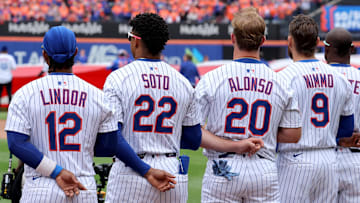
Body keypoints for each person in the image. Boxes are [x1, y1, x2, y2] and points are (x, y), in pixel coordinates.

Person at [103, 13, 264, 203]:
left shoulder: (118, 78)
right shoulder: (183, 83)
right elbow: (193, 138)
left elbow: (112, 139)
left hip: (131, 171)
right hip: (172, 172)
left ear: (137, 41)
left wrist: (146, 169)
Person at [5, 26, 176, 203]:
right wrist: (80, 145)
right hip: (82, 186)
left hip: (41, 186)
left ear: (45, 56)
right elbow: (109, 146)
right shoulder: (98, 96)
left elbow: (16, 144)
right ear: (76, 53)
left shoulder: (24, 94)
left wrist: (56, 170)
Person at [195, 8, 302, 202]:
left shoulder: (212, 78)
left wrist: (235, 145)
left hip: (222, 167)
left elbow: (193, 132)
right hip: (263, 167)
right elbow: (294, 134)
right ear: (263, 41)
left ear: (232, 38)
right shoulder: (281, 82)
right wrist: (263, 133)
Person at [277, 15, 357, 202]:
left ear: (290, 41)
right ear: (317, 42)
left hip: (293, 158)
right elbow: (346, 128)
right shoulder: (339, 78)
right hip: (328, 159)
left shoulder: (283, 78)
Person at [324, 27, 360, 203]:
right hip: (354, 158)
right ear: (352, 49)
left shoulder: (318, 78)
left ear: (326, 49)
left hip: (321, 155)